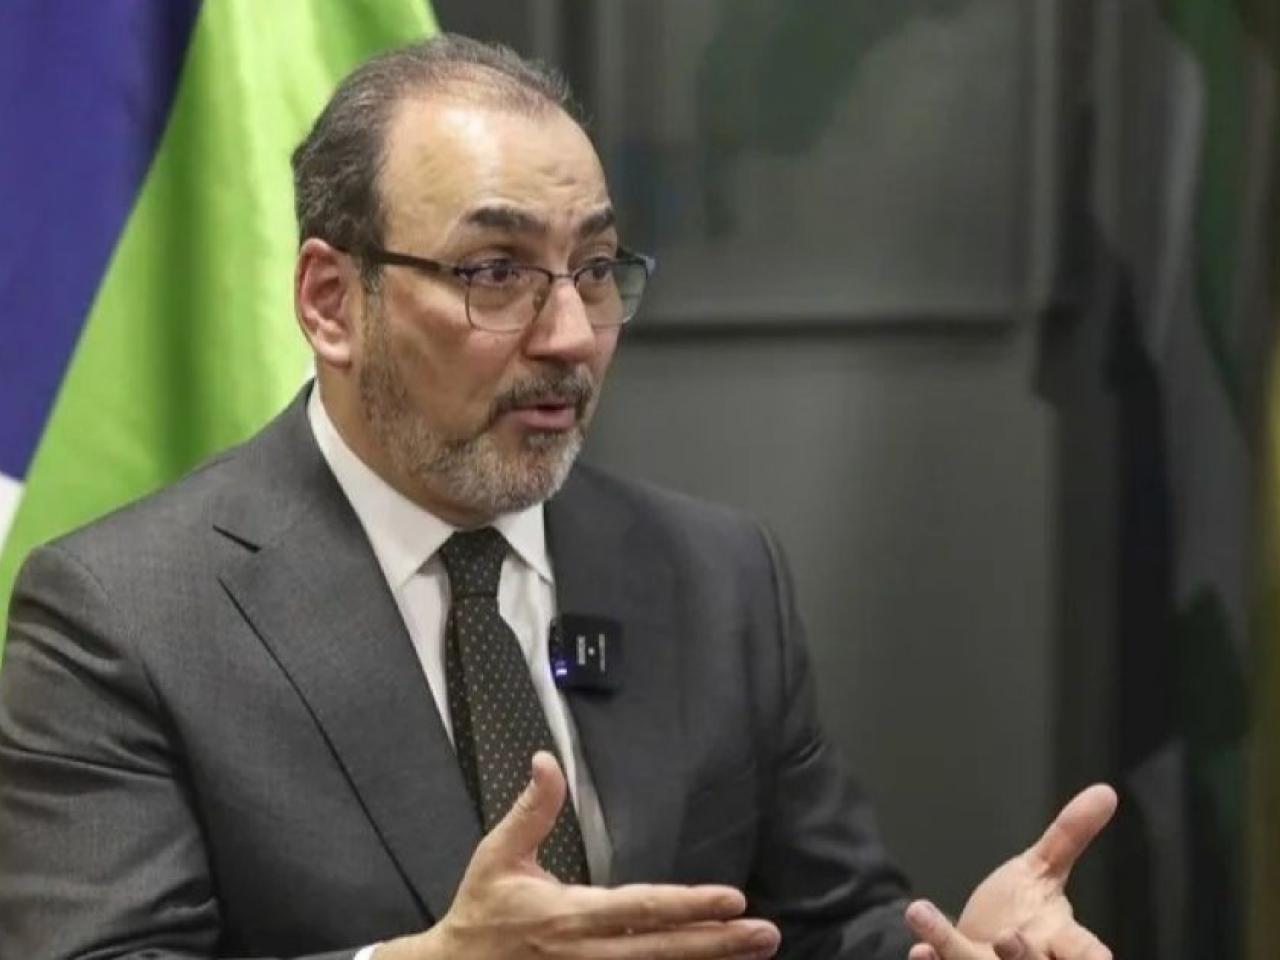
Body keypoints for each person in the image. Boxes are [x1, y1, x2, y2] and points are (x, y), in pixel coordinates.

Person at [0, 34, 1115, 960]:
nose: (571, 336)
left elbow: (816, 925)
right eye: (496, 273)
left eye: (594, 268)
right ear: (332, 302)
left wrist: (946, 949)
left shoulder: (715, 575)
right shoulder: (127, 616)